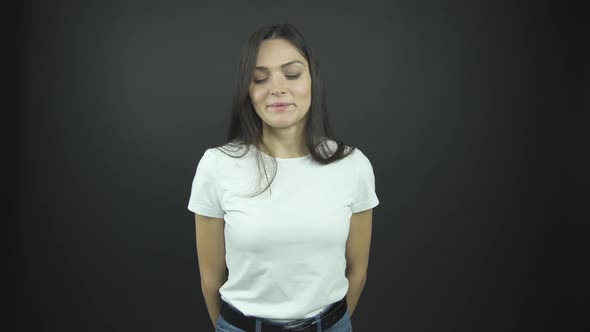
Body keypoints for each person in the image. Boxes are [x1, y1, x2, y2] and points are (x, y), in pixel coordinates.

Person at [187, 23, 379, 332]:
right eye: (260, 78)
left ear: (312, 80)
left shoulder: (352, 165)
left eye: (291, 74)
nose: (277, 88)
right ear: (248, 91)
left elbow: (357, 270)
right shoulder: (216, 165)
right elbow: (210, 278)